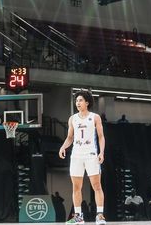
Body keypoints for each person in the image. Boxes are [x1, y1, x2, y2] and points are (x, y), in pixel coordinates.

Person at [59, 90, 106, 225]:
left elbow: (101, 137)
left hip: (91, 154)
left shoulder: (95, 117)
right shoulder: (72, 118)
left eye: (80, 100)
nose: (77, 103)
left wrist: (101, 152)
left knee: (97, 186)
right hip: (76, 155)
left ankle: (100, 215)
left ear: (87, 102)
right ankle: (78, 217)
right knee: (76, 187)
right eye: (76, 100)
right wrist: (63, 147)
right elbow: (69, 137)